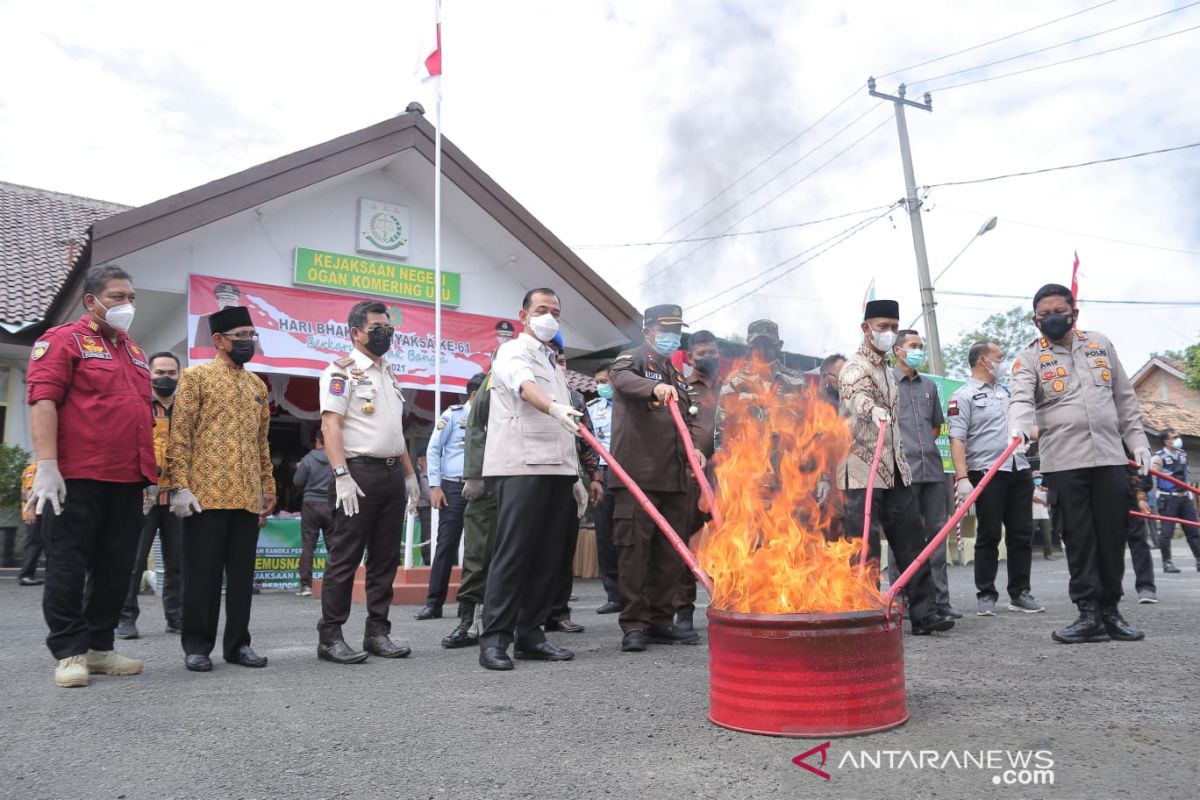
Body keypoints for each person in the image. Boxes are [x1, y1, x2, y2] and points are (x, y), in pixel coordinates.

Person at [25, 264, 157, 688]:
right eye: (118, 297)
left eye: (132, 297)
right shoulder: (62, 341)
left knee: (116, 569)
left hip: (126, 480)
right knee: (67, 565)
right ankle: (68, 652)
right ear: (92, 301)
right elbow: (43, 400)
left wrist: (149, 478)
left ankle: (100, 648)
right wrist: (46, 466)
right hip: (76, 478)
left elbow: (139, 416)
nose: (127, 305)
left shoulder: (134, 352)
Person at [1009, 283, 1152, 643]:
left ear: (1074, 313)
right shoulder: (1030, 357)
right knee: (1080, 539)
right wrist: (1020, 428)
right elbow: (1021, 398)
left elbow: (1125, 400)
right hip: (1064, 462)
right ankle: (1088, 613)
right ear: (1035, 319)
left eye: (1059, 312)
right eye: (1044, 316)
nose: (1052, 319)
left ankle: (1111, 612)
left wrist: (1137, 444)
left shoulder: (1100, 344)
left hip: (1109, 458)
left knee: (1111, 535)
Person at [165, 305, 275, 672]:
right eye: (240, 336)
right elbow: (179, 436)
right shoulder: (196, 378)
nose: (248, 341)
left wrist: (268, 486)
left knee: (242, 577)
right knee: (202, 575)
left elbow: (262, 443)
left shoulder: (258, 386)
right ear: (219, 340)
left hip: (245, 496)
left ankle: (238, 645)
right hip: (204, 495)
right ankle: (197, 645)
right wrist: (180, 485)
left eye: (251, 335)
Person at [478, 288, 582, 671]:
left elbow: (565, 423)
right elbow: (525, 387)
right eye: (542, 309)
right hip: (520, 466)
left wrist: (577, 477)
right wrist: (554, 406)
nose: (549, 316)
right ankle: (495, 639)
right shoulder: (512, 352)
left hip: (557, 468)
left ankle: (531, 635)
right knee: (513, 555)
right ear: (523, 314)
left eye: (555, 311)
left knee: (548, 557)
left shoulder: (553, 362)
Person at [837, 299, 953, 636]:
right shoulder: (854, 367)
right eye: (882, 326)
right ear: (866, 328)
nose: (887, 333)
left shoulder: (888, 370)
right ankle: (864, 612)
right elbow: (855, 396)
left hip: (897, 470)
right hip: (862, 471)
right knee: (863, 546)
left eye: (892, 326)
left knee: (912, 541)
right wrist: (870, 409)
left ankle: (925, 612)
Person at [316, 300, 420, 664]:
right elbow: (331, 425)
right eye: (377, 327)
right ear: (355, 333)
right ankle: (330, 637)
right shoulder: (341, 372)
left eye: (388, 326)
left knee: (385, 559)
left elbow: (396, 432)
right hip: (358, 474)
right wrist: (341, 474)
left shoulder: (389, 373)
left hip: (392, 474)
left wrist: (409, 475)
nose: (385, 332)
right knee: (345, 558)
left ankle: (378, 632)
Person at [611, 304, 702, 652]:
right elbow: (621, 380)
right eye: (666, 330)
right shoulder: (630, 359)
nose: (671, 337)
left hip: (674, 478)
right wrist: (654, 389)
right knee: (634, 553)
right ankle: (634, 624)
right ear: (648, 331)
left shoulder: (677, 373)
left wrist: (696, 450)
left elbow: (689, 419)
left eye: (677, 331)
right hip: (637, 476)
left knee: (670, 554)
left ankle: (661, 620)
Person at [949, 340, 1044, 617]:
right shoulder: (963, 396)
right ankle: (986, 594)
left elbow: (1030, 428)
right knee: (989, 533)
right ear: (982, 360)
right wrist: (963, 477)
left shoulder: (1008, 393)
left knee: (1021, 534)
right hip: (987, 471)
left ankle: (1020, 592)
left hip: (1019, 468)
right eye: (999, 357)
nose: (1002, 362)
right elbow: (957, 439)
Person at [887, 331, 959, 619]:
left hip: (932, 470)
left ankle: (940, 602)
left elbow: (935, 426)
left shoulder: (929, 386)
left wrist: (922, 448)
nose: (918, 350)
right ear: (897, 351)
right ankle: (900, 600)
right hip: (902, 473)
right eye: (912, 346)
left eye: (920, 346)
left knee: (937, 537)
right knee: (902, 539)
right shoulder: (886, 384)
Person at [117, 352, 184, 639]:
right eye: (159, 372)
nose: (165, 377)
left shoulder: (186, 410)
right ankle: (125, 618)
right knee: (133, 562)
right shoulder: (137, 406)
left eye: (171, 372)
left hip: (178, 498)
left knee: (178, 564)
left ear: (179, 376)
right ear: (149, 374)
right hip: (141, 497)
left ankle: (177, 618)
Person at [544, 336, 604, 634]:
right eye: (553, 357)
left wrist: (594, 477)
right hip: (532, 478)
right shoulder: (529, 389)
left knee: (564, 547)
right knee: (531, 549)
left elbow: (586, 440)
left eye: (562, 359)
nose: (559, 364)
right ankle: (526, 614)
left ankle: (558, 612)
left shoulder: (576, 398)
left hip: (569, 478)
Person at [415, 372, 486, 620]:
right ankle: (434, 603)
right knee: (446, 544)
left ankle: (471, 603)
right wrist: (435, 485)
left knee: (481, 547)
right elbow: (434, 448)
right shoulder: (453, 415)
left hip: (484, 487)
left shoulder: (492, 418)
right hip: (453, 488)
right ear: (475, 394)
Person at [441, 367, 499, 649]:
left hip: (522, 481)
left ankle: (507, 621)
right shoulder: (493, 385)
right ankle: (467, 622)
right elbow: (475, 428)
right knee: (476, 553)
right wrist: (474, 474)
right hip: (487, 484)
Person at [675, 329, 721, 632]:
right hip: (692, 478)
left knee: (727, 542)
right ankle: (683, 611)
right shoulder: (681, 387)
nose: (708, 358)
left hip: (729, 478)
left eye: (712, 352)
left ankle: (727, 605)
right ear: (690, 357)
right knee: (688, 545)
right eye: (701, 354)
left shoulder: (731, 386)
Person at [587, 360, 620, 615]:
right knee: (605, 535)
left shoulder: (632, 407)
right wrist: (594, 477)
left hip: (630, 473)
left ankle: (636, 592)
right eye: (598, 383)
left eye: (605, 382)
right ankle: (614, 594)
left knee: (630, 534)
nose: (601, 387)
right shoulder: (592, 409)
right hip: (603, 475)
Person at [1151, 427, 1199, 573]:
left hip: (1185, 497)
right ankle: (1167, 563)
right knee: (1166, 532)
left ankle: (1199, 560)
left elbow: (1186, 473)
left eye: (1178, 436)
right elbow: (1150, 472)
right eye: (1174, 437)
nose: (1178, 439)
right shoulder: (1159, 457)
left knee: (1193, 530)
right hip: (1168, 497)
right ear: (1166, 441)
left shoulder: (1183, 454)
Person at [293, 430, 334, 597]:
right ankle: (332, 583)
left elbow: (297, 481)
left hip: (310, 505)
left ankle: (306, 586)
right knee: (333, 546)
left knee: (308, 546)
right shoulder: (336, 458)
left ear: (318, 441)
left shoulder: (308, 459)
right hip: (331, 504)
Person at [1125, 464, 1158, 604]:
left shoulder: (1134, 448)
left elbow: (1144, 475)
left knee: (1139, 542)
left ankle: (1146, 586)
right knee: (1109, 546)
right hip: (1107, 500)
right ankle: (1111, 588)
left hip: (1134, 500)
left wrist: (1141, 497)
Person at [17, 462, 45, 586]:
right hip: (33, 514)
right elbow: (29, 491)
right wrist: (31, 511)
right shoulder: (33, 468)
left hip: (38, 513)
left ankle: (28, 574)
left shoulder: (37, 467)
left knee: (37, 542)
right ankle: (26, 575)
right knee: (34, 542)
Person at [1031, 473, 1057, 561]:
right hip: (1033, 515)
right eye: (1036, 478)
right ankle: (1026, 554)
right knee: (1030, 536)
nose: (1038, 479)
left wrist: (1044, 489)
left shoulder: (1044, 489)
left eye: (1039, 478)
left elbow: (1052, 494)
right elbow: (1032, 497)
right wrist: (1042, 501)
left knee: (1047, 536)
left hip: (1044, 515)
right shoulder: (1029, 487)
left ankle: (1048, 554)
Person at [415, 455, 432, 565]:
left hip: (429, 509)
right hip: (426, 508)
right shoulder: (423, 476)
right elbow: (429, 495)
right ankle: (428, 559)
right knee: (428, 534)